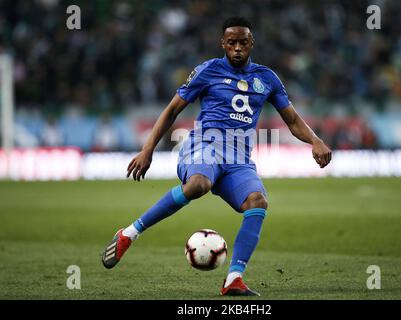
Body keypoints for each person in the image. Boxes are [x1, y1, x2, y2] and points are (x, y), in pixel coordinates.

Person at [101, 17, 332, 296]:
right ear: (223, 43)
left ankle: (234, 278)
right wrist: (148, 149)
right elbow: (173, 109)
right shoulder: (207, 71)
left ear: (251, 43)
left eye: (243, 43)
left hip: (239, 159)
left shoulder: (267, 78)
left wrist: (315, 140)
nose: (237, 48)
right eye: (231, 42)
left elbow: (293, 120)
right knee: (199, 184)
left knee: (258, 202)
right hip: (203, 146)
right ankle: (129, 233)